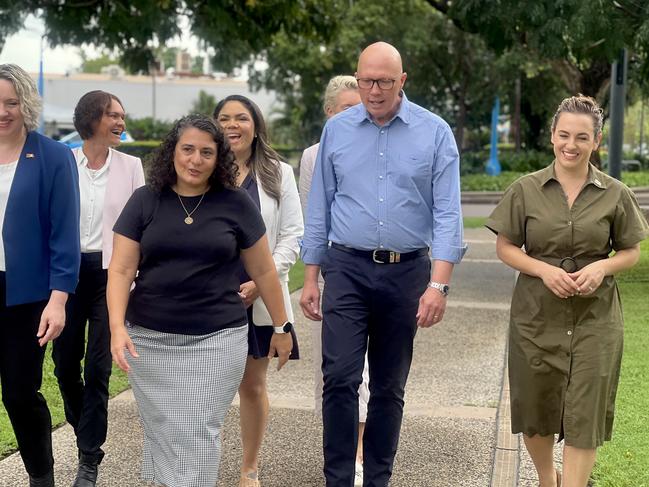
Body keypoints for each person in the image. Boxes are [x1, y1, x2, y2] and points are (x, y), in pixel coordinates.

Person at [300, 42, 466, 486]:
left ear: (402, 81)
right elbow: (320, 207)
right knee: (338, 377)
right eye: (366, 81)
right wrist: (311, 276)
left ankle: (377, 479)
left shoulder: (434, 132)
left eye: (384, 82)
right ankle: (337, 478)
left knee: (389, 387)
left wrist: (439, 285)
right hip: (347, 269)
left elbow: (449, 213)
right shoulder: (337, 132)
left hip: (407, 271)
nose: (374, 91)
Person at [107, 114, 293, 487]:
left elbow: (265, 271)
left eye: (206, 152)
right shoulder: (145, 201)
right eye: (187, 149)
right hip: (148, 340)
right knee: (162, 427)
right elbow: (121, 270)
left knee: (196, 426)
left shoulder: (236, 204)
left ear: (218, 158)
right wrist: (116, 328)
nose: (195, 160)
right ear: (172, 152)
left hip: (217, 339)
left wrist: (281, 325)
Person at [486, 95, 649, 487]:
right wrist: (543, 270)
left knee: (585, 413)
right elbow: (505, 246)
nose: (570, 145)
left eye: (581, 137)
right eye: (563, 135)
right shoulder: (525, 190)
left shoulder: (615, 193)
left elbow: (631, 251)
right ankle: (548, 478)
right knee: (536, 408)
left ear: (597, 141)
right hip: (535, 318)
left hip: (596, 319)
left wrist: (602, 267)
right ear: (552, 136)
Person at [52, 90, 145, 487]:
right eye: (113, 115)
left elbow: (141, 225)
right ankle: (84, 430)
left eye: (123, 115)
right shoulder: (63, 161)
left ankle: (89, 458)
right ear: (92, 118)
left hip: (112, 275)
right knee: (63, 365)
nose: (121, 122)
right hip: (67, 274)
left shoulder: (132, 166)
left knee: (99, 366)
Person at [214, 94, 303, 487]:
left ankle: (249, 469)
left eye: (241, 118)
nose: (233, 125)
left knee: (252, 385)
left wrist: (260, 282)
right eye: (224, 118)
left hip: (260, 297)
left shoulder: (278, 172)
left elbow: (291, 236)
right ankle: (197, 463)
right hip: (210, 296)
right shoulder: (204, 167)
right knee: (208, 386)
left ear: (255, 125)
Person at [0, 64, 80, 487]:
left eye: (11, 102)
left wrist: (59, 298)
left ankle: (41, 476)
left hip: (27, 296)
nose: (3, 111)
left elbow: (64, 234)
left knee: (19, 393)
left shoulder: (52, 156)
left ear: (26, 103)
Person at [298, 75, 369, 486]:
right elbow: (314, 217)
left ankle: (360, 451)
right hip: (334, 272)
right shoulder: (314, 155)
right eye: (346, 108)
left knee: (372, 372)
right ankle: (343, 452)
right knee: (339, 370)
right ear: (329, 113)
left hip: (376, 273)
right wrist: (313, 277)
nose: (356, 114)